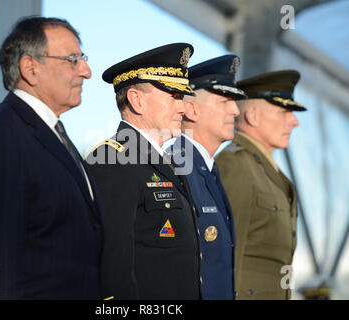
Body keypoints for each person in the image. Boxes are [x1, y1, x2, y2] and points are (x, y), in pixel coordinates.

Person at [0, 16, 104, 299]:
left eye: (83, 58)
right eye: (73, 60)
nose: (87, 71)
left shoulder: (55, 137)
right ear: (30, 68)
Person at [86, 43, 201, 300]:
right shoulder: (111, 161)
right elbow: (111, 268)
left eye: (182, 97)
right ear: (136, 100)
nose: (183, 108)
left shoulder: (167, 163)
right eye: (174, 96)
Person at [215, 70, 306, 300]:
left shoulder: (265, 170)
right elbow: (223, 255)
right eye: (285, 111)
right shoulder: (235, 165)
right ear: (252, 116)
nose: (294, 121)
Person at [167, 55, 246, 299]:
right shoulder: (174, 167)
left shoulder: (205, 167)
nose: (235, 110)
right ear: (191, 109)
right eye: (225, 101)